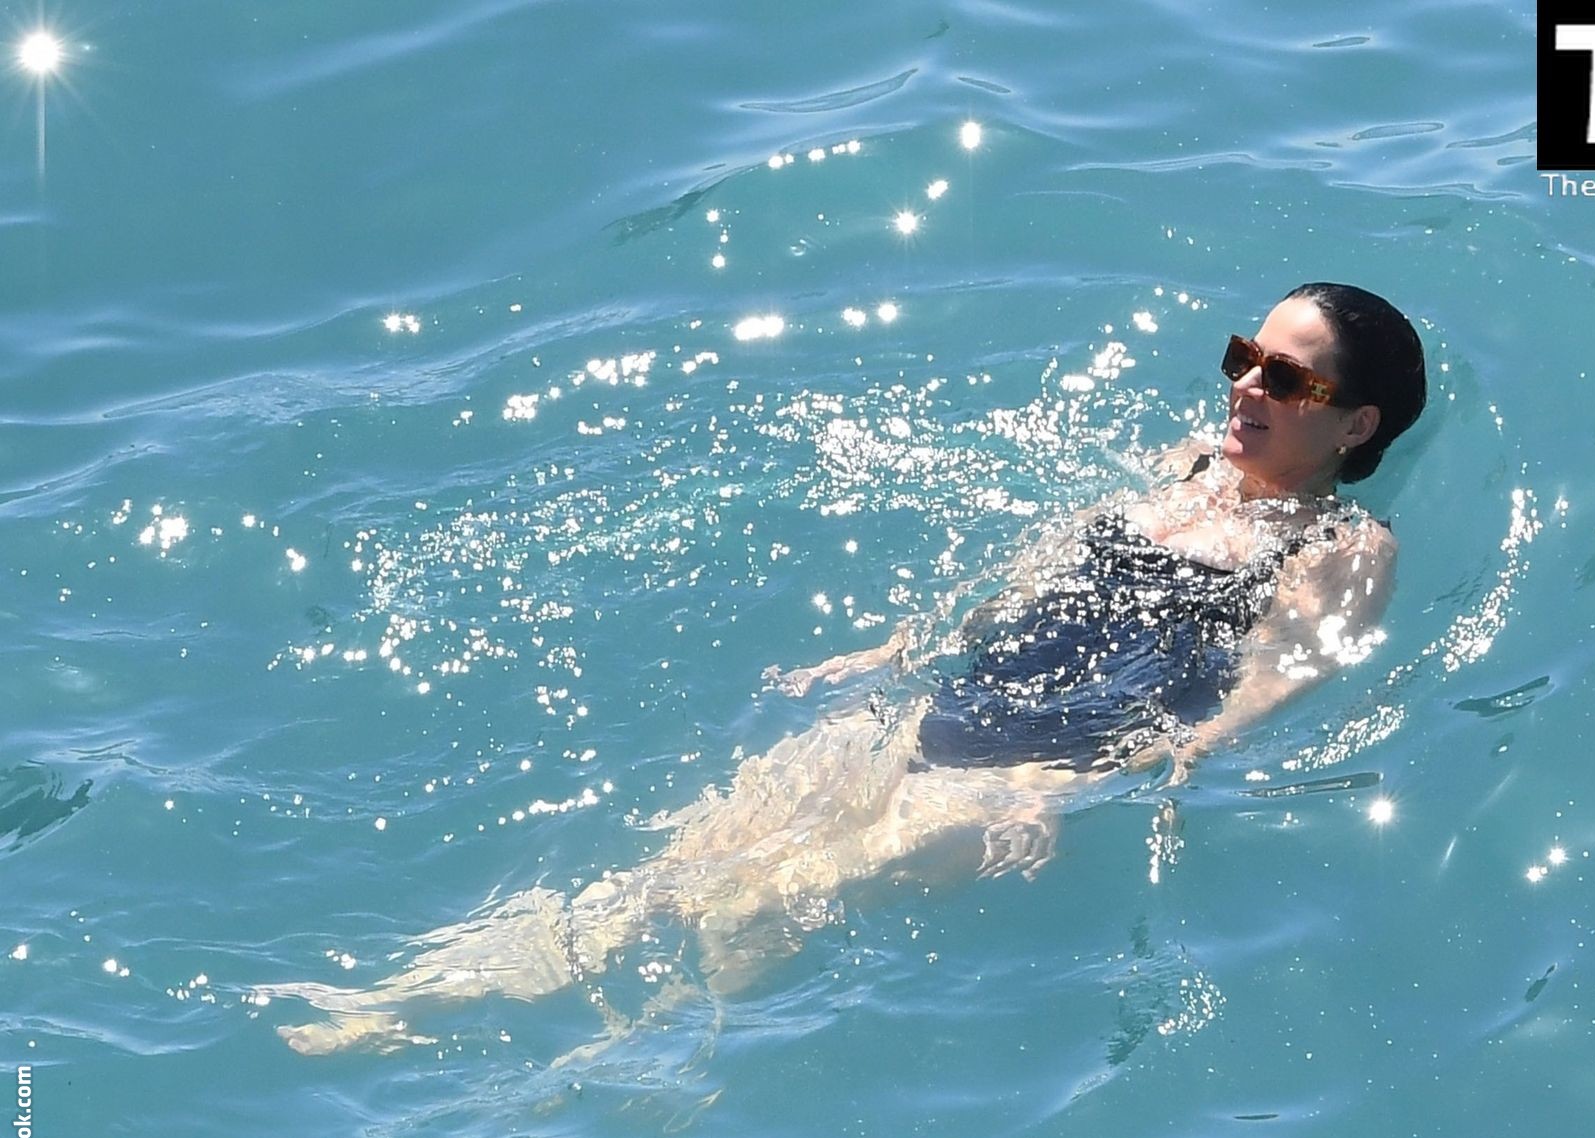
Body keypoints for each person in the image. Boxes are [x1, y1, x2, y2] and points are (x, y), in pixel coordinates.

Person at [261, 282, 1428, 1059]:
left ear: (1356, 425)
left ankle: (571, 1058)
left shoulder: (1342, 544)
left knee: (757, 898)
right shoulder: (1187, 467)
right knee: (675, 865)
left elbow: (1280, 678)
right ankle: (414, 997)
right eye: (1245, 358)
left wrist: (1127, 781)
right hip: (947, 712)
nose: (1246, 387)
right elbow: (1047, 566)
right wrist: (903, 646)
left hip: (1035, 772)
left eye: (1287, 379)